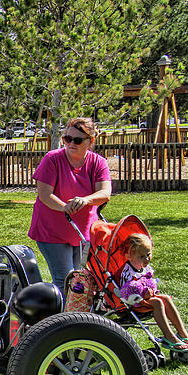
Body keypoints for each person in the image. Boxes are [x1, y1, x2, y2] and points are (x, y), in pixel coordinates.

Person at [28, 117, 111, 298]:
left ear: (91, 141)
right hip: (51, 231)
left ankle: (75, 317)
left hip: (83, 233)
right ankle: (61, 322)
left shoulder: (98, 162)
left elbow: (105, 193)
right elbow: (45, 195)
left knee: (80, 281)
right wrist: (65, 207)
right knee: (64, 280)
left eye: (77, 140)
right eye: (68, 138)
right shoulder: (52, 159)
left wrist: (85, 200)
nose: (71, 143)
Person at [118, 233, 188, 351]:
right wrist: (143, 294)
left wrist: (151, 291)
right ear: (129, 256)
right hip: (132, 303)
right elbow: (127, 291)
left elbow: (150, 283)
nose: (147, 259)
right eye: (141, 257)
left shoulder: (145, 268)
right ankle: (169, 336)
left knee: (166, 298)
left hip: (146, 299)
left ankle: (182, 333)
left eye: (148, 254)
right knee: (158, 302)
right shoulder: (128, 272)